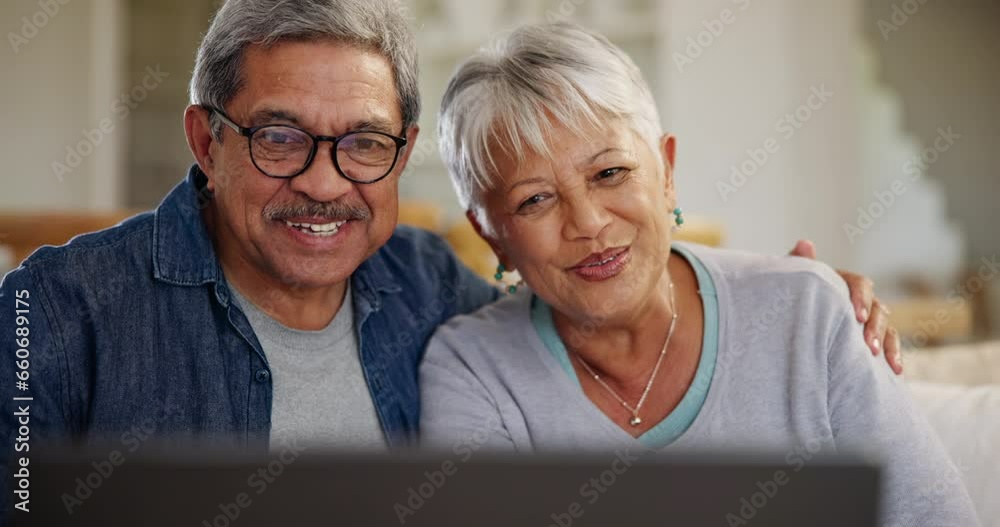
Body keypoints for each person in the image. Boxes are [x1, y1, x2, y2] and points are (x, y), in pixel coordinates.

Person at [0, 0, 893, 507]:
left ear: (403, 146)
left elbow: (580, 297)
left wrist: (795, 295)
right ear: (207, 139)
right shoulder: (59, 309)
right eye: (279, 137)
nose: (323, 183)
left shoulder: (428, 288)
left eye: (363, 142)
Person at [420, 22, 978, 526]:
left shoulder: (810, 313)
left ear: (666, 173)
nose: (588, 223)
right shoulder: (472, 370)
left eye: (610, 172)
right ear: (492, 234)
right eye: (536, 200)